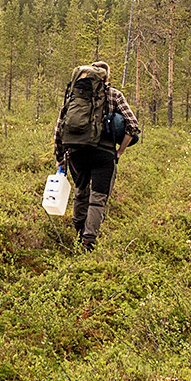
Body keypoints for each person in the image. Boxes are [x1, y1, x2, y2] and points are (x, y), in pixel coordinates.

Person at [54, 61, 140, 251]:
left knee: (81, 193)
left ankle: (78, 234)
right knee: (97, 199)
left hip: (76, 153)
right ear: (106, 77)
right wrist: (120, 151)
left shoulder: (73, 95)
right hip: (103, 155)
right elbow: (133, 126)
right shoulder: (114, 94)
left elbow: (59, 127)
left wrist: (60, 155)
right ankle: (89, 242)